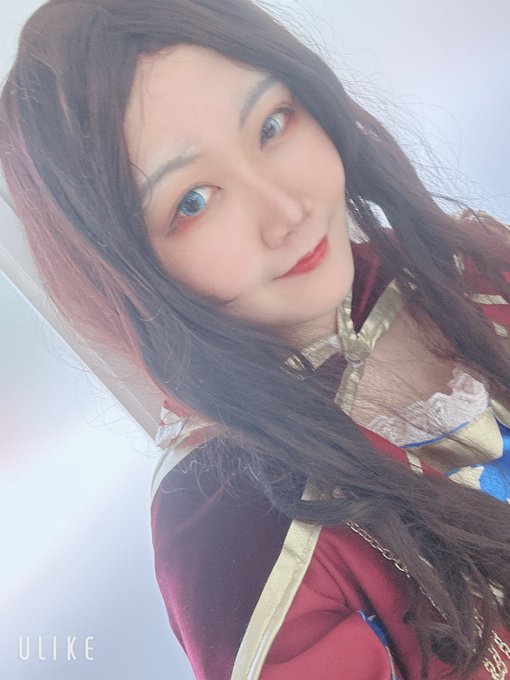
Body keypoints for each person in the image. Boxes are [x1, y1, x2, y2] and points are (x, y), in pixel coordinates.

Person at [1, 0, 510, 678]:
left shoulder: (460, 266)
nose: (287, 210)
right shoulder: (231, 533)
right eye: (193, 200)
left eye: (272, 125)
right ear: (122, 269)